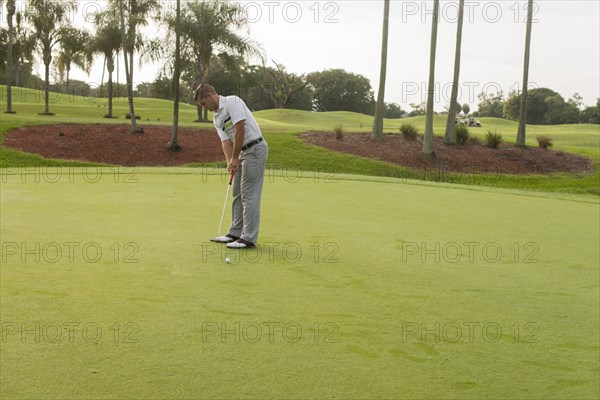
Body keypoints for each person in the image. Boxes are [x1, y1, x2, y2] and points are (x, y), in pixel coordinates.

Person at [195, 84, 268, 249]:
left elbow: (239, 129)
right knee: (237, 193)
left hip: (255, 149)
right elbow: (225, 141)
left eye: (203, 103)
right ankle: (235, 233)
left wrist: (235, 157)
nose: (204, 107)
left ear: (209, 95)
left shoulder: (232, 102)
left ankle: (248, 238)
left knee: (249, 195)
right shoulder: (216, 117)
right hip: (241, 152)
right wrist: (230, 161)